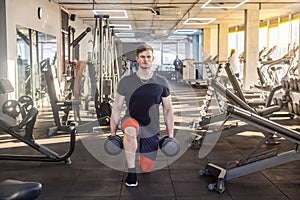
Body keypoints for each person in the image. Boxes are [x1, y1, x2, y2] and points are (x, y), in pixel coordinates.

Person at [110, 44, 174, 187]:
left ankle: (142, 163)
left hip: (152, 126)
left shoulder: (161, 82)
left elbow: (168, 109)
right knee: (130, 130)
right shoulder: (126, 81)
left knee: (146, 168)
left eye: (148, 57)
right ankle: (131, 172)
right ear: (137, 59)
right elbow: (117, 107)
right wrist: (113, 133)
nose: (146, 60)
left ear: (153, 59)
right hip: (131, 119)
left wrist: (170, 135)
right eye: (142, 57)